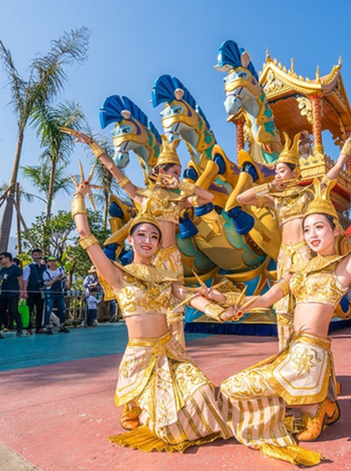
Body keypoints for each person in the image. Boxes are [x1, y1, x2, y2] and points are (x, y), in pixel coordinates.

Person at [218, 132, 351, 465]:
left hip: (310, 358)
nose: (312, 235)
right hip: (290, 353)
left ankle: (315, 405)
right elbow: (266, 299)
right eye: (307, 230)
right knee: (231, 389)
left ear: (335, 229)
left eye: (319, 227)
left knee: (261, 405)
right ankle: (321, 404)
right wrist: (234, 304)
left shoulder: (343, 271)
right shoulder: (298, 270)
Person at [70, 166, 235, 453]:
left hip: (170, 352)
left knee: (205, 394)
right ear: (131, 240)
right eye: (142, 235)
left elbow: (189, 297)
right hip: (140, 358)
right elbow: (85, 233)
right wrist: (79, 198)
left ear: (159, 244)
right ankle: (135, 404)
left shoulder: (166, 277)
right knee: (170, 427)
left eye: (154, 237)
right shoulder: (117, 274)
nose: (148, 241)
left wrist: (222, 312)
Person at [62, 127, 214, 349]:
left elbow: (208, 197)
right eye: (174, 172)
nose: (176, 177)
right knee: (152, 308)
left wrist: (181, 185)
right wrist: (91, 143)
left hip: (172, 257)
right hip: (149, 259)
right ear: (161, 170)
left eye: (178, 174)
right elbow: (113, 168)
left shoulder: (178, 200)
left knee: (176, 309)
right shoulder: (141, 196)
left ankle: (178, 356)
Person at [237, 128, 351, 350]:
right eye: (276, 171)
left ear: (294, 172)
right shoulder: (275, 199)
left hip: (304, 253)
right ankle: (284, 354)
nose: (278, 175)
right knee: (281, 305)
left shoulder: (309, 194)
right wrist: (268, 186)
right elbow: (242, 198)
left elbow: (334, 172)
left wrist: (347, 146)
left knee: (302, 301)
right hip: (284, 254)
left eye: (281, 171)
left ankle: (305, 352)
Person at [21, 248, 47, 335]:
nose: (38, 257)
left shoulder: (44, 267)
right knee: (30, 310)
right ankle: (29, 328)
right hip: (31, 291)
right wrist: (25, 291)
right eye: (35, 255)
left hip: (41, 291)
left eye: (39, 255)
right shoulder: (29, 267)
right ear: (32, 256)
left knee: (40, 309)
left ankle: (38, 327)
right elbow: (25, 280)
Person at [43, 256, 70, 334]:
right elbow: (47, 284)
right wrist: (56, 279)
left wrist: (67, 284)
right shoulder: (46, 273)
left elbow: (65, 279)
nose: (52, 263)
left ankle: (61, 325)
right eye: (50, 261)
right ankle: (47, 326)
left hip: (59, 292)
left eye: (54, 261)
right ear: (47, 263)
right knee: (48, 309)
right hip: (50, 292)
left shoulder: (60, 270)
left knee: (62, 308)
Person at [0, 252, 24, 337]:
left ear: (7, 258)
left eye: (1, 258)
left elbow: (20, 281)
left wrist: (21, 292)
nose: (0, 260)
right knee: (1, 311)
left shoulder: (16, 269)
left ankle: (19, 329)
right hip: (3, 294)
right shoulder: (2, 270)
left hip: (13, 294)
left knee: (14, 310)